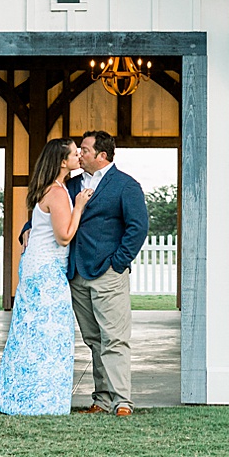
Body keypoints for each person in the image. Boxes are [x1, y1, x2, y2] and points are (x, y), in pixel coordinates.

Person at [0, 139, 91, 415]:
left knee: (30, 333)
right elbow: (64, 236)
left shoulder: (49, 189)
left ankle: (19, 398)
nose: (79, 155)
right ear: (61, 161)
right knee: (51, 334)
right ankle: (42, 401)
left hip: (36, 268)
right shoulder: (58, 194)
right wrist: (79, 205)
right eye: (74, 153)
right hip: (47, 272)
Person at [66, 129, 150, 416]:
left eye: (85, 151)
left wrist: (118, 262)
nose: (80, 155)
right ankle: (102, 400)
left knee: (114, 338)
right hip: (77, 274)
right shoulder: (71, 185)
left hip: (108, 273)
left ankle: (122, 401)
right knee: (94, 340)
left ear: (102, 155)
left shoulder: (126, 186)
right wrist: (28, 230)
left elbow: (137, 228)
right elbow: (50, 210)